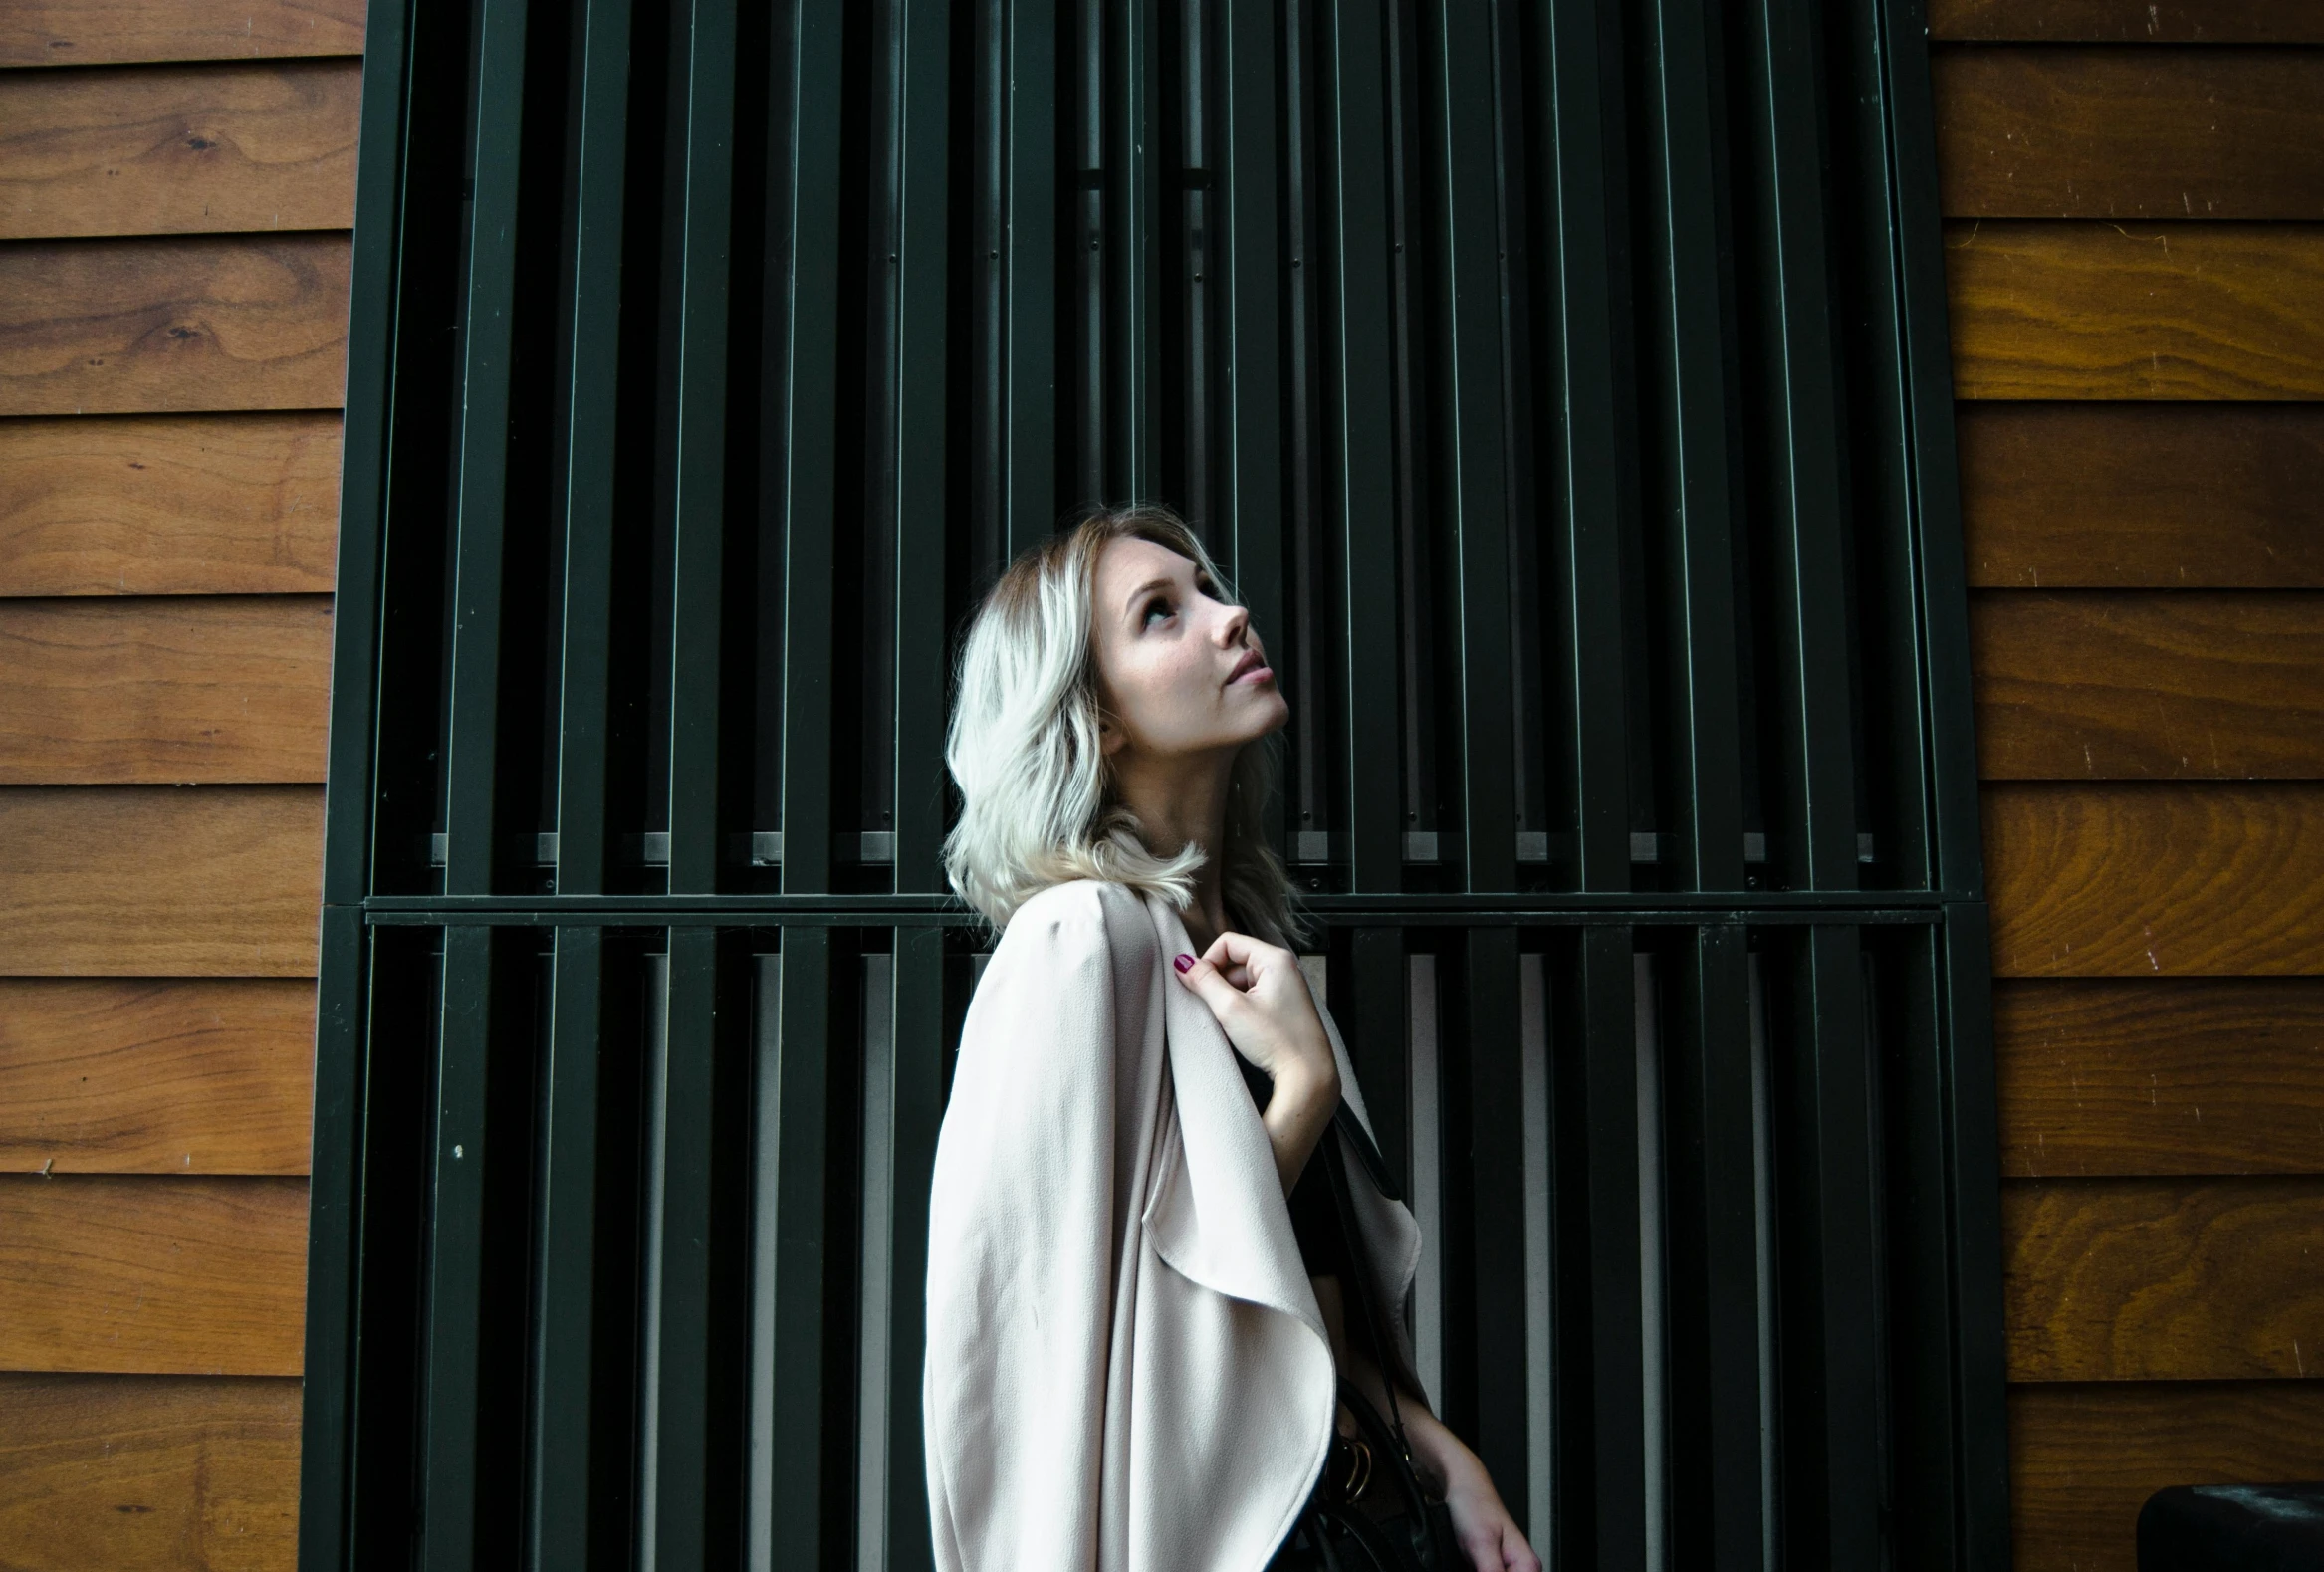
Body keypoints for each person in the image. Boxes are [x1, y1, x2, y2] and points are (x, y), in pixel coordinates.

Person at [922, 504, 1538, 1572]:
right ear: (1097, 716)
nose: (1229, 614)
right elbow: (1047, 1348)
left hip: (1347, 1520)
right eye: (1162, 614)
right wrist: (1299, 1091)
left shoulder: (1250, 962)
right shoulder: (1079, 940)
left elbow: (1296, 1299)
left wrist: (1439, 1456)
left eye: (1206, 587)